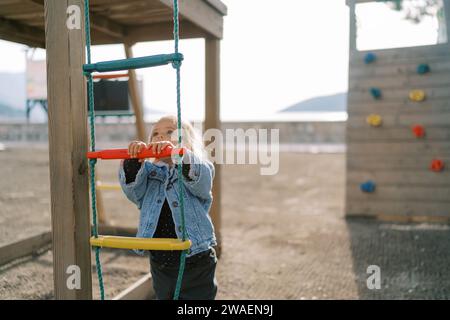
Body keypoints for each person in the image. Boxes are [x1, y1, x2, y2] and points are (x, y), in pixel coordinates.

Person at [118, 115, 218, 300]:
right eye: (155, 134)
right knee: (165, 296)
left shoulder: (198, 167)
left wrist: (178, 156)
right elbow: (133, 191)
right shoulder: (148, 174)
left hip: (195, 258)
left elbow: (203, 182)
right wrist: (134, 159)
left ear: (187, 145)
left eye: (170, 132)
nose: (160, 137)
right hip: (160, 260)